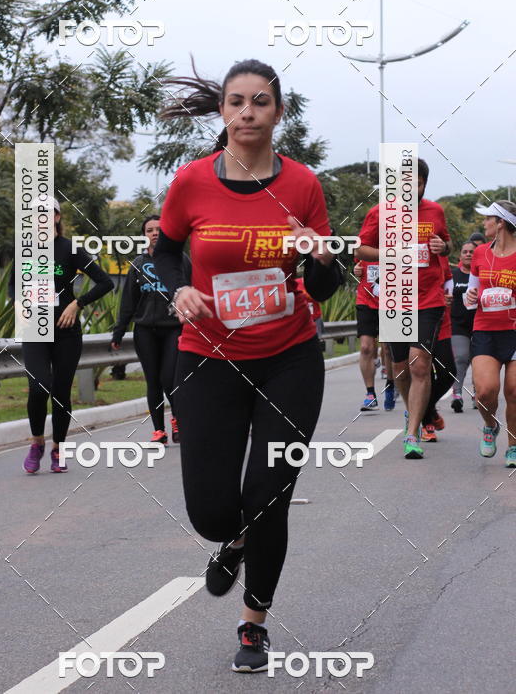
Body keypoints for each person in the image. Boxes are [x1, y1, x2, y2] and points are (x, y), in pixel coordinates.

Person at [152, 58, 343, 672]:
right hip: (207, 358)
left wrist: (316, 257)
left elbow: (326, 284)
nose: (248, 113)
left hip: (288, 358)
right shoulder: (190, 182)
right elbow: (165, 253)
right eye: (237, 102)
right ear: (223, 112)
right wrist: (177, 289)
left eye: (261, 102)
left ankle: (254, 623)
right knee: (210, 510)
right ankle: (230, 540)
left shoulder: (303, 186)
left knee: (269, 493)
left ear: (277, 113)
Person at [356, 158, 451, 458]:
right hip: (395, 298)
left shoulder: (435, 211)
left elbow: (446, 243)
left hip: (428, 299)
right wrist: (390, 253)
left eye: (419, 183)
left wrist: (442, 248)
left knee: (419, 363)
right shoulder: (379, 212)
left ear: (424, 183)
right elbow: (360, 248)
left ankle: (412, 435)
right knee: (399, 369)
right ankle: (413, 412)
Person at [13, 200, 114, 473]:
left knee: (60, 392)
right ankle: (37, 443)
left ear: (57, 217)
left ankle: (58, 449)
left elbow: (106, 281)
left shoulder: (70, 249)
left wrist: (76, 304)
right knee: (38, 387)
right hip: (35, 330)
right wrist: (20, 307)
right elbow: (15, 287)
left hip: (66, 332)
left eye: (48, 213)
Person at [110, 215, 191, 444]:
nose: (155, 233)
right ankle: (159, 430)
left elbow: (193, 288)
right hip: (145, 330)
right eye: (150, 230)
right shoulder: (137, 265)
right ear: (144, 235)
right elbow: (128, 301)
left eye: (159, 229)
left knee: (169, 378)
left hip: (173, 328)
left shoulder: (181, 260)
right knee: (153, 381)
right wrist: (119, 331)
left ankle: (178, 420)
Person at [465, 201, 516, 467]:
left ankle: (513, 445)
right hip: (485, 330)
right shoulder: (481, 253)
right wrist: (470, 296)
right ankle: (490, 425)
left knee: (514, 390)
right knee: (485, 391)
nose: (484, 223)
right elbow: (470, 296)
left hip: (514, 331)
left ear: (501, 224)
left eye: (488, 219)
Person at [421, 258, 456, 442]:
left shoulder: (439, 252)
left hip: (441, 320)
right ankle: (426, 423)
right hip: (415, 318)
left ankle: (427, 408)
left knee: (448, 372)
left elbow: (448, 278)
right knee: (421, 373)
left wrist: (448, 295)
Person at [353, 259, 395, 411]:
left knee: (389, 349)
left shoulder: (396, 242)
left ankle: (390, 385)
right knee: (365, 348)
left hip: (391, 302)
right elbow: (358, 266)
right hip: (366, 301)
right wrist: (356, 269)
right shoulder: (364, 244)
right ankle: (370, 394)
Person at [449, 240, 478, 412]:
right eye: (465, 252)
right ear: (460, 255)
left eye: (471, 252)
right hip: (458, 325)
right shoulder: (453, 276)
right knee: (460, 357)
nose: (468, 254)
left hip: (480, 323)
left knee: (479, 361)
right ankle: (457, 394)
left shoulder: (481, 276)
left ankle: (478, 393)